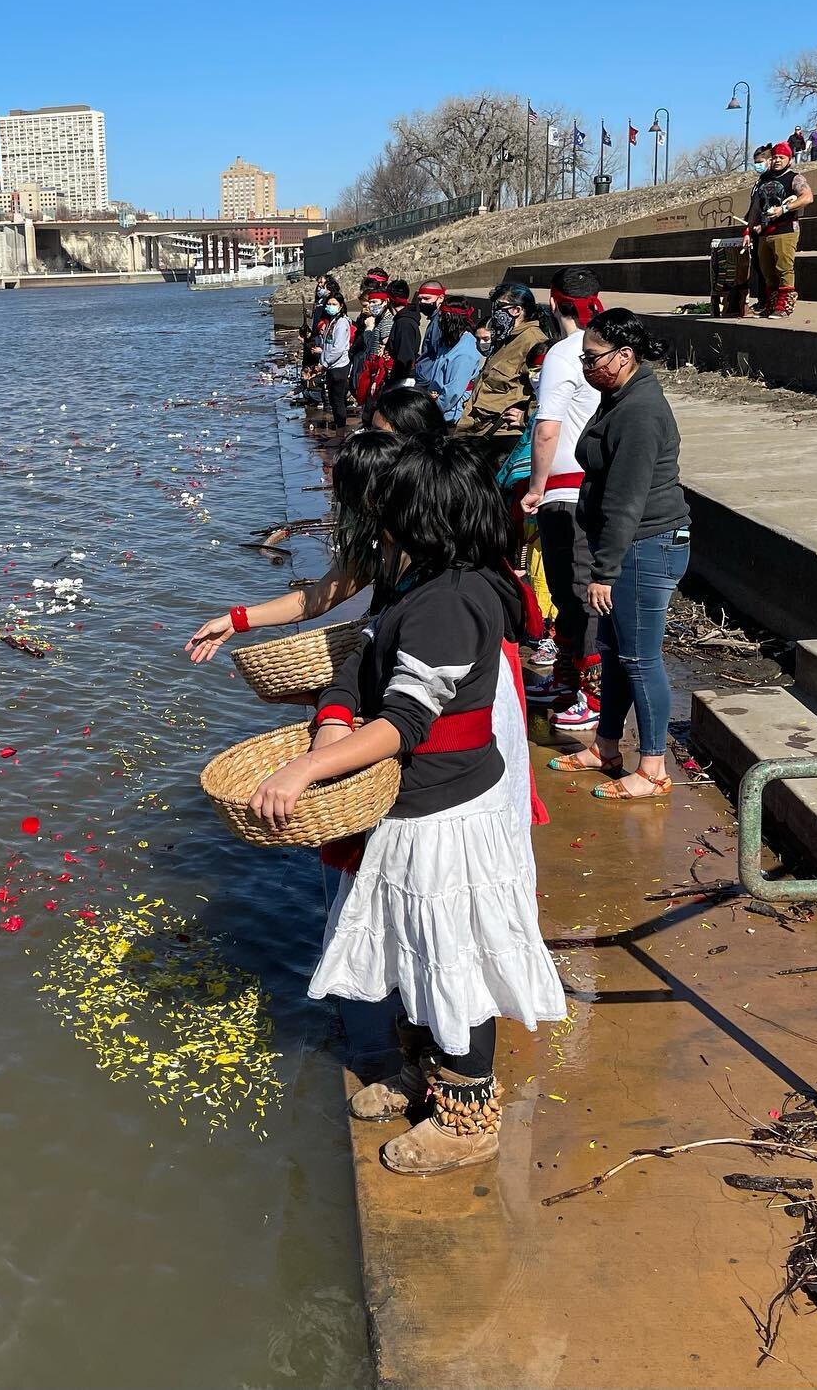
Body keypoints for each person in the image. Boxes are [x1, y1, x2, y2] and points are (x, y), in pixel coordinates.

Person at [247, 436, 566, 1175]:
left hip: (447, 807)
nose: (378, 523)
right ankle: (430, 1074)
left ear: (426, 517)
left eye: (390, 510)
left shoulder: (454, 600)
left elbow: (402, 722)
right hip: (422, 800)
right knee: (420, 942)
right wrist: (333, 714)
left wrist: (305, 767)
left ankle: (466, 1115)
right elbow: (361, 658)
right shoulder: (427, 581)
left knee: (456, 951)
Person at [183, 394, 446, 665]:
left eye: (379, 434)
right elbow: (317, 598)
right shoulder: (378, 535)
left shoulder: (444, 540)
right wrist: (236, 620)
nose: (367, 440)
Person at [547, 309, 690, 800]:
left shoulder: (640, 412)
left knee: (639, 657)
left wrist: (603, 570)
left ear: (624, 356)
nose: (586, 366)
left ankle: (653, 767)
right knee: (612, 652)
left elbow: (626, 500)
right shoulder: (618, 396)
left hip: (646, 546)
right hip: (630, 544)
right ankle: (607, 745)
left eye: (593, 358)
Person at [521, 267, 605, 730]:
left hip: (566, 491)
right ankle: (569, 680)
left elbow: (547, 426)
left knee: (576, 590)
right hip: (594, 484)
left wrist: (535, 486)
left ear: (554, 304)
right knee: (573, 590)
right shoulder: (610, 345)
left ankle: (591, 696)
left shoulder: (563, 352)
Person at [457, 283, 545, 440]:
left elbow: (545, 388)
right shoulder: (505, 338)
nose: (495, 313)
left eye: (500, 307)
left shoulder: (534, 341)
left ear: (517, 310)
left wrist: (526, 417)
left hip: (501, 433)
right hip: (476, 427)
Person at [743, 140, 813, 316]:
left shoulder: (795, 178)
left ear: (789, 159)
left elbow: (807, 197)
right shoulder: (764, 179)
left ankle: (784, 305)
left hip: (786, 229)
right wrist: (747, 231)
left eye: (781, 157)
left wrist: (784, 209)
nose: (777, 160)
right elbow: (755, 208)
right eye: (774, 157)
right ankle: (771, 303)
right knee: (767, 270)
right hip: (765, 231)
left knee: (784, 267)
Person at [424, 303, 482, 427]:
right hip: (438, 407)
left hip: (451, 416)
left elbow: (454, 391)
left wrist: (434, 408)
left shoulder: (464, 352)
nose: (439, 322)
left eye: (442, 318)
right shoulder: (449, 341)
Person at [314, 288, 354, 433]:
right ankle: (339, 428)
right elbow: (327, 345)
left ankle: (341, 431)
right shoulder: (332, 321)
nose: (330, 306)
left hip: (339, 366)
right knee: (333, 399)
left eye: (333, 303)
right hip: (330, 366)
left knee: (338, 400)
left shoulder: (342, 322)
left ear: (341, 305)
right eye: (328, 303)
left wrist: (324, 364)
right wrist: (322, 361)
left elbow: (337, 349)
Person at [409, 280, 449, 389]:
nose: (422, 302)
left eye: (427, 299)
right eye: (420, 299)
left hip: (428, 379)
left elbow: (437, 352)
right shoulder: (434, 318)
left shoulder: (439, 321)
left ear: (440, 298)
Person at [383, 281, 423, 386]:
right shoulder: (403, 320)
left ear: (389, 300)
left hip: (403, 381)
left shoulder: (404, 324)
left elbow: (405, 357)